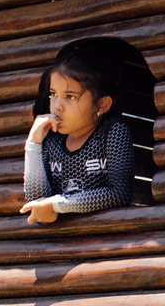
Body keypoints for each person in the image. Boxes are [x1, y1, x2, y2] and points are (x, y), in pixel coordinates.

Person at [22, 45, 135, 224]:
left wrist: (58, 204)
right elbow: (38, 205)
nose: (57, 106)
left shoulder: (112, 132)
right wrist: (33, 145)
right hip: (62, 240)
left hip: (106, 236)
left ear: (102, 104)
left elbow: (119, 194)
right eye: (53, 94)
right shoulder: (52, 140)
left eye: (70, 97)